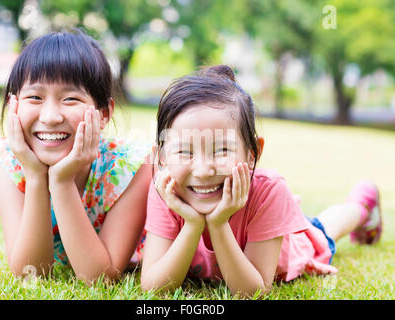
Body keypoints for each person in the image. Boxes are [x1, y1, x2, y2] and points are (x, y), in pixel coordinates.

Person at [140, 65, 382, 297]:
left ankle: (364, 201)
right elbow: (153, 288)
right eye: (185, 152)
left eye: (222, 149)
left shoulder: (269, 190)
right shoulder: (165, 190)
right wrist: (193, 224)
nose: (203, 171)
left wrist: (219, 223)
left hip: (295, 246)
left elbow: (252, 293)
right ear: (161, 158)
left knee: (324, 229)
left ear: (253, 152)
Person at [0, 30, 151, 284]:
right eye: (34, 97)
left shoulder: (130, 165)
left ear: (103, 114)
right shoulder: (10, 159)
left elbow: (100, 279)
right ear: (14, 105)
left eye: (70, 99)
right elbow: (30, 274)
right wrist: (35, 176)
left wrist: (62, 181)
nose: (50, 116)